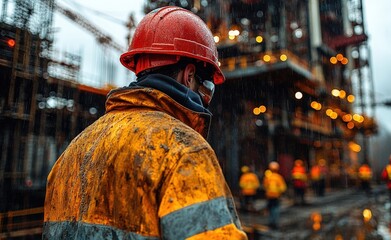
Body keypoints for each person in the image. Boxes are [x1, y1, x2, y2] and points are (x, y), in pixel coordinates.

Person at [43, 6, 247, 240]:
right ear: (189, 75)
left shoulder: (74, 151)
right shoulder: (184, 150)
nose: (207, 97)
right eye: (207, 86)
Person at [263, 161, 287, 229]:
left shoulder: (268, 177)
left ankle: (270, 222)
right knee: (275, 209)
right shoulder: (279, 177)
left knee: (270, 209)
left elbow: (265, 186)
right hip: (276, 196)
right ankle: (275, 223)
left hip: (269, 195)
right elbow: (283, 188)